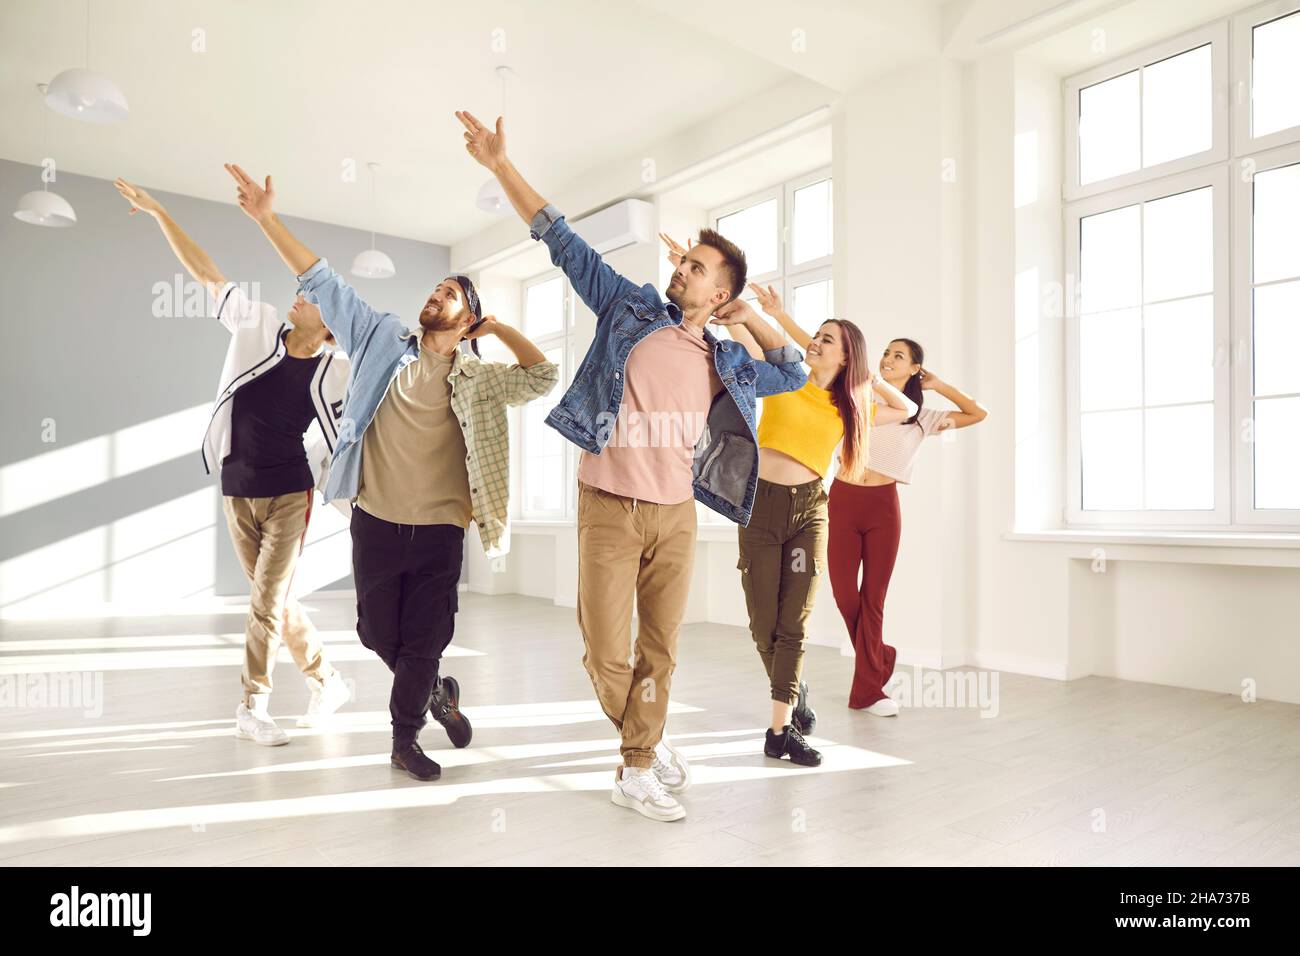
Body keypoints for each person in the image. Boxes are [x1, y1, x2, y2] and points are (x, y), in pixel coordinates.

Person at [458, 111, 807, 820]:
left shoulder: (727, 360)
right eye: (684, 261)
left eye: (697, 268)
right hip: (608, 504)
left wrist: (745, 317)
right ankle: (646, 742)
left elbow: (795, 369)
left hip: (676, 516)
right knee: (605, 654)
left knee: (661, 650)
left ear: (718, 292)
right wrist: (500, 166)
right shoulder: (629, 308)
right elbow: (561, 239)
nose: (680, 268)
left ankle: (636, 765)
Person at [223, 163, 559, 780]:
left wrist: (501, 328)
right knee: (379, 635)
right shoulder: (380, 338)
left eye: (450, 295)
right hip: (375, 521)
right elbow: (321, 281)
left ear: (467, 321)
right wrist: (267, 218)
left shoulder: (478, 380)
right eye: (435, 289)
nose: (435, 296)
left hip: (439, 531)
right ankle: (434, 693)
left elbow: (543, 378)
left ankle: (404, 739)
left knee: (425, 640)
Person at [114, 178, 352, 746]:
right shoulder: (257, 324)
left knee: (264, 604)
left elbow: (368, 413)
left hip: (290, 495)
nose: (300, 292)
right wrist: (160, 211)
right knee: (275, 602)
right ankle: (328, 680)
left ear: (330, 325)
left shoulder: (333, 370)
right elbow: (206, 274)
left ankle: (253, 706)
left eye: (313, 296)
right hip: (235, 490)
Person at [828, 337, 987, 714]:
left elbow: (977, 413)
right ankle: (880, 655)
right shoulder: (858, 403)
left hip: (883, 508)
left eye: (898, 355)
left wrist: (940, 385)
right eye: (886, 353)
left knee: (874, 599)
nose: (887, 359)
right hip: (843, 500)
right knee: (845, 595)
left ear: (915, 368)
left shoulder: (923, 417)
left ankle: (868, 691)